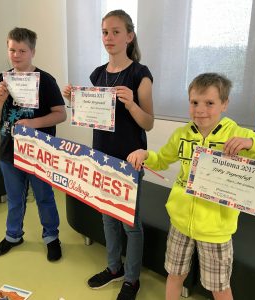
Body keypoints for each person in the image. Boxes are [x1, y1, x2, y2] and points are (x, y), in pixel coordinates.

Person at [127, 72, 255, 300]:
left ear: (224, 104)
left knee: (219, 287)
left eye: (210, 103)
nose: (200, 110)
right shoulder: (182, 134)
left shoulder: (238, 136)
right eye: (194, 102)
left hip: (216, 231)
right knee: (174, 275)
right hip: (180, 223)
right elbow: (162, 159)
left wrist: (253, 144)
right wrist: (145, 154)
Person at [63, 9, 154, 300]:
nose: (109, 38)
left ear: (129, 36)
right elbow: (94, 117)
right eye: (105, 32)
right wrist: (73, 101)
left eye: (116, 32)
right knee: (107, 217)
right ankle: (113, 268)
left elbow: (148, 122)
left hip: (130, 159)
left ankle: (132, 279)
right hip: (101, 156)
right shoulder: (98, 74)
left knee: (131, 223)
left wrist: (130, 104)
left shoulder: (141, 74)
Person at [0, 27, 66, 261]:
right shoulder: (1, 79)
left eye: (22, 50)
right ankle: (13, 235)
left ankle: (51, 236)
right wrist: (0, 100)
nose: (16, 55)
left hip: (39, 151)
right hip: (9, 149)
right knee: (14, 197)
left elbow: (60, 114)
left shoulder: (46, 80)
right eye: (12, 50)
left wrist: (34, 123)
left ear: (32, 51)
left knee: (44, 196)